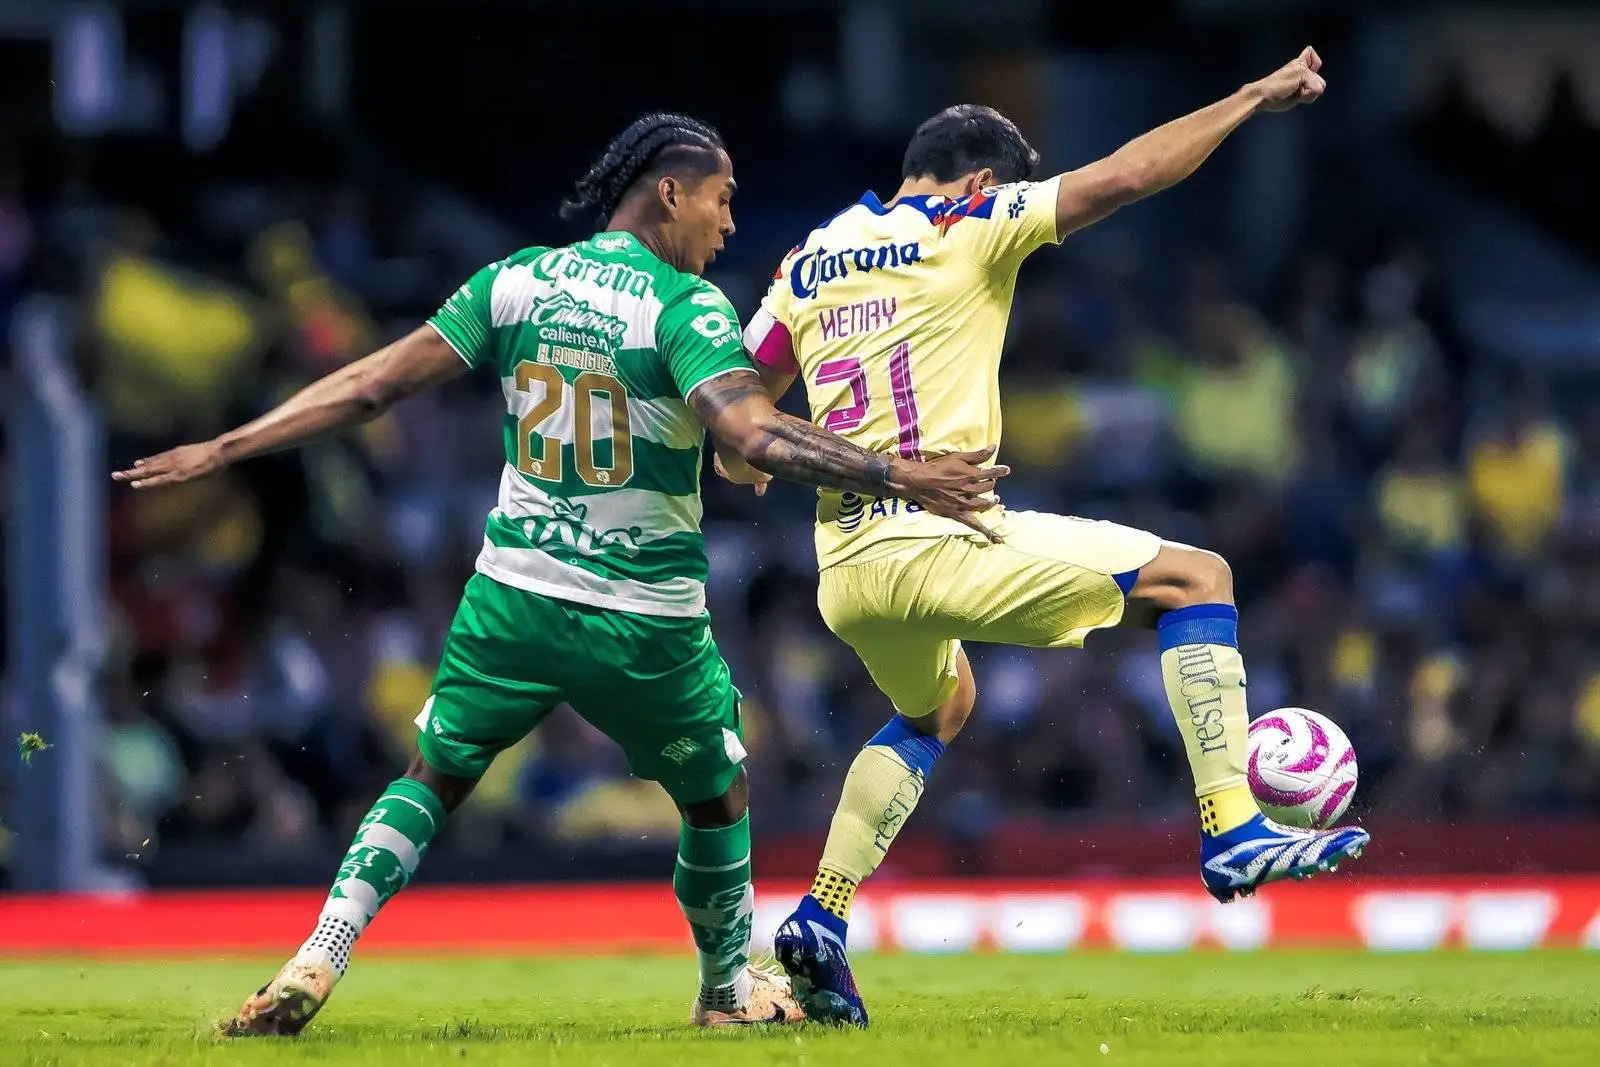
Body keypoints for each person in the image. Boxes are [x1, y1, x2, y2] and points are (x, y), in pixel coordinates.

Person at [114, 112, 1005, 1034]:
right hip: (641, 616)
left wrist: (227, 443)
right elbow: (750, 433)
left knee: (433, 773)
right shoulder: (683, 306)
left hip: (514, 596)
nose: (730, 225)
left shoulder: (517, 278)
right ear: (670, 192)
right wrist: (897, 472)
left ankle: (317, 956)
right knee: (718, 794)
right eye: (722, 200)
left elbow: (372, 383)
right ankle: (724, 992)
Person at [733, 49, 1369, 1027]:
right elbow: (1126, 177)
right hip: (938, 534)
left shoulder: (807, 261)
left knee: (940, 705)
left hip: (847, 566)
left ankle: (819, 914)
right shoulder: (969, 219)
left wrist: (799, 459)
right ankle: (1232, 826)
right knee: (1196, 576)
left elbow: (741, 436)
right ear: (983, 179)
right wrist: (1246, 97)